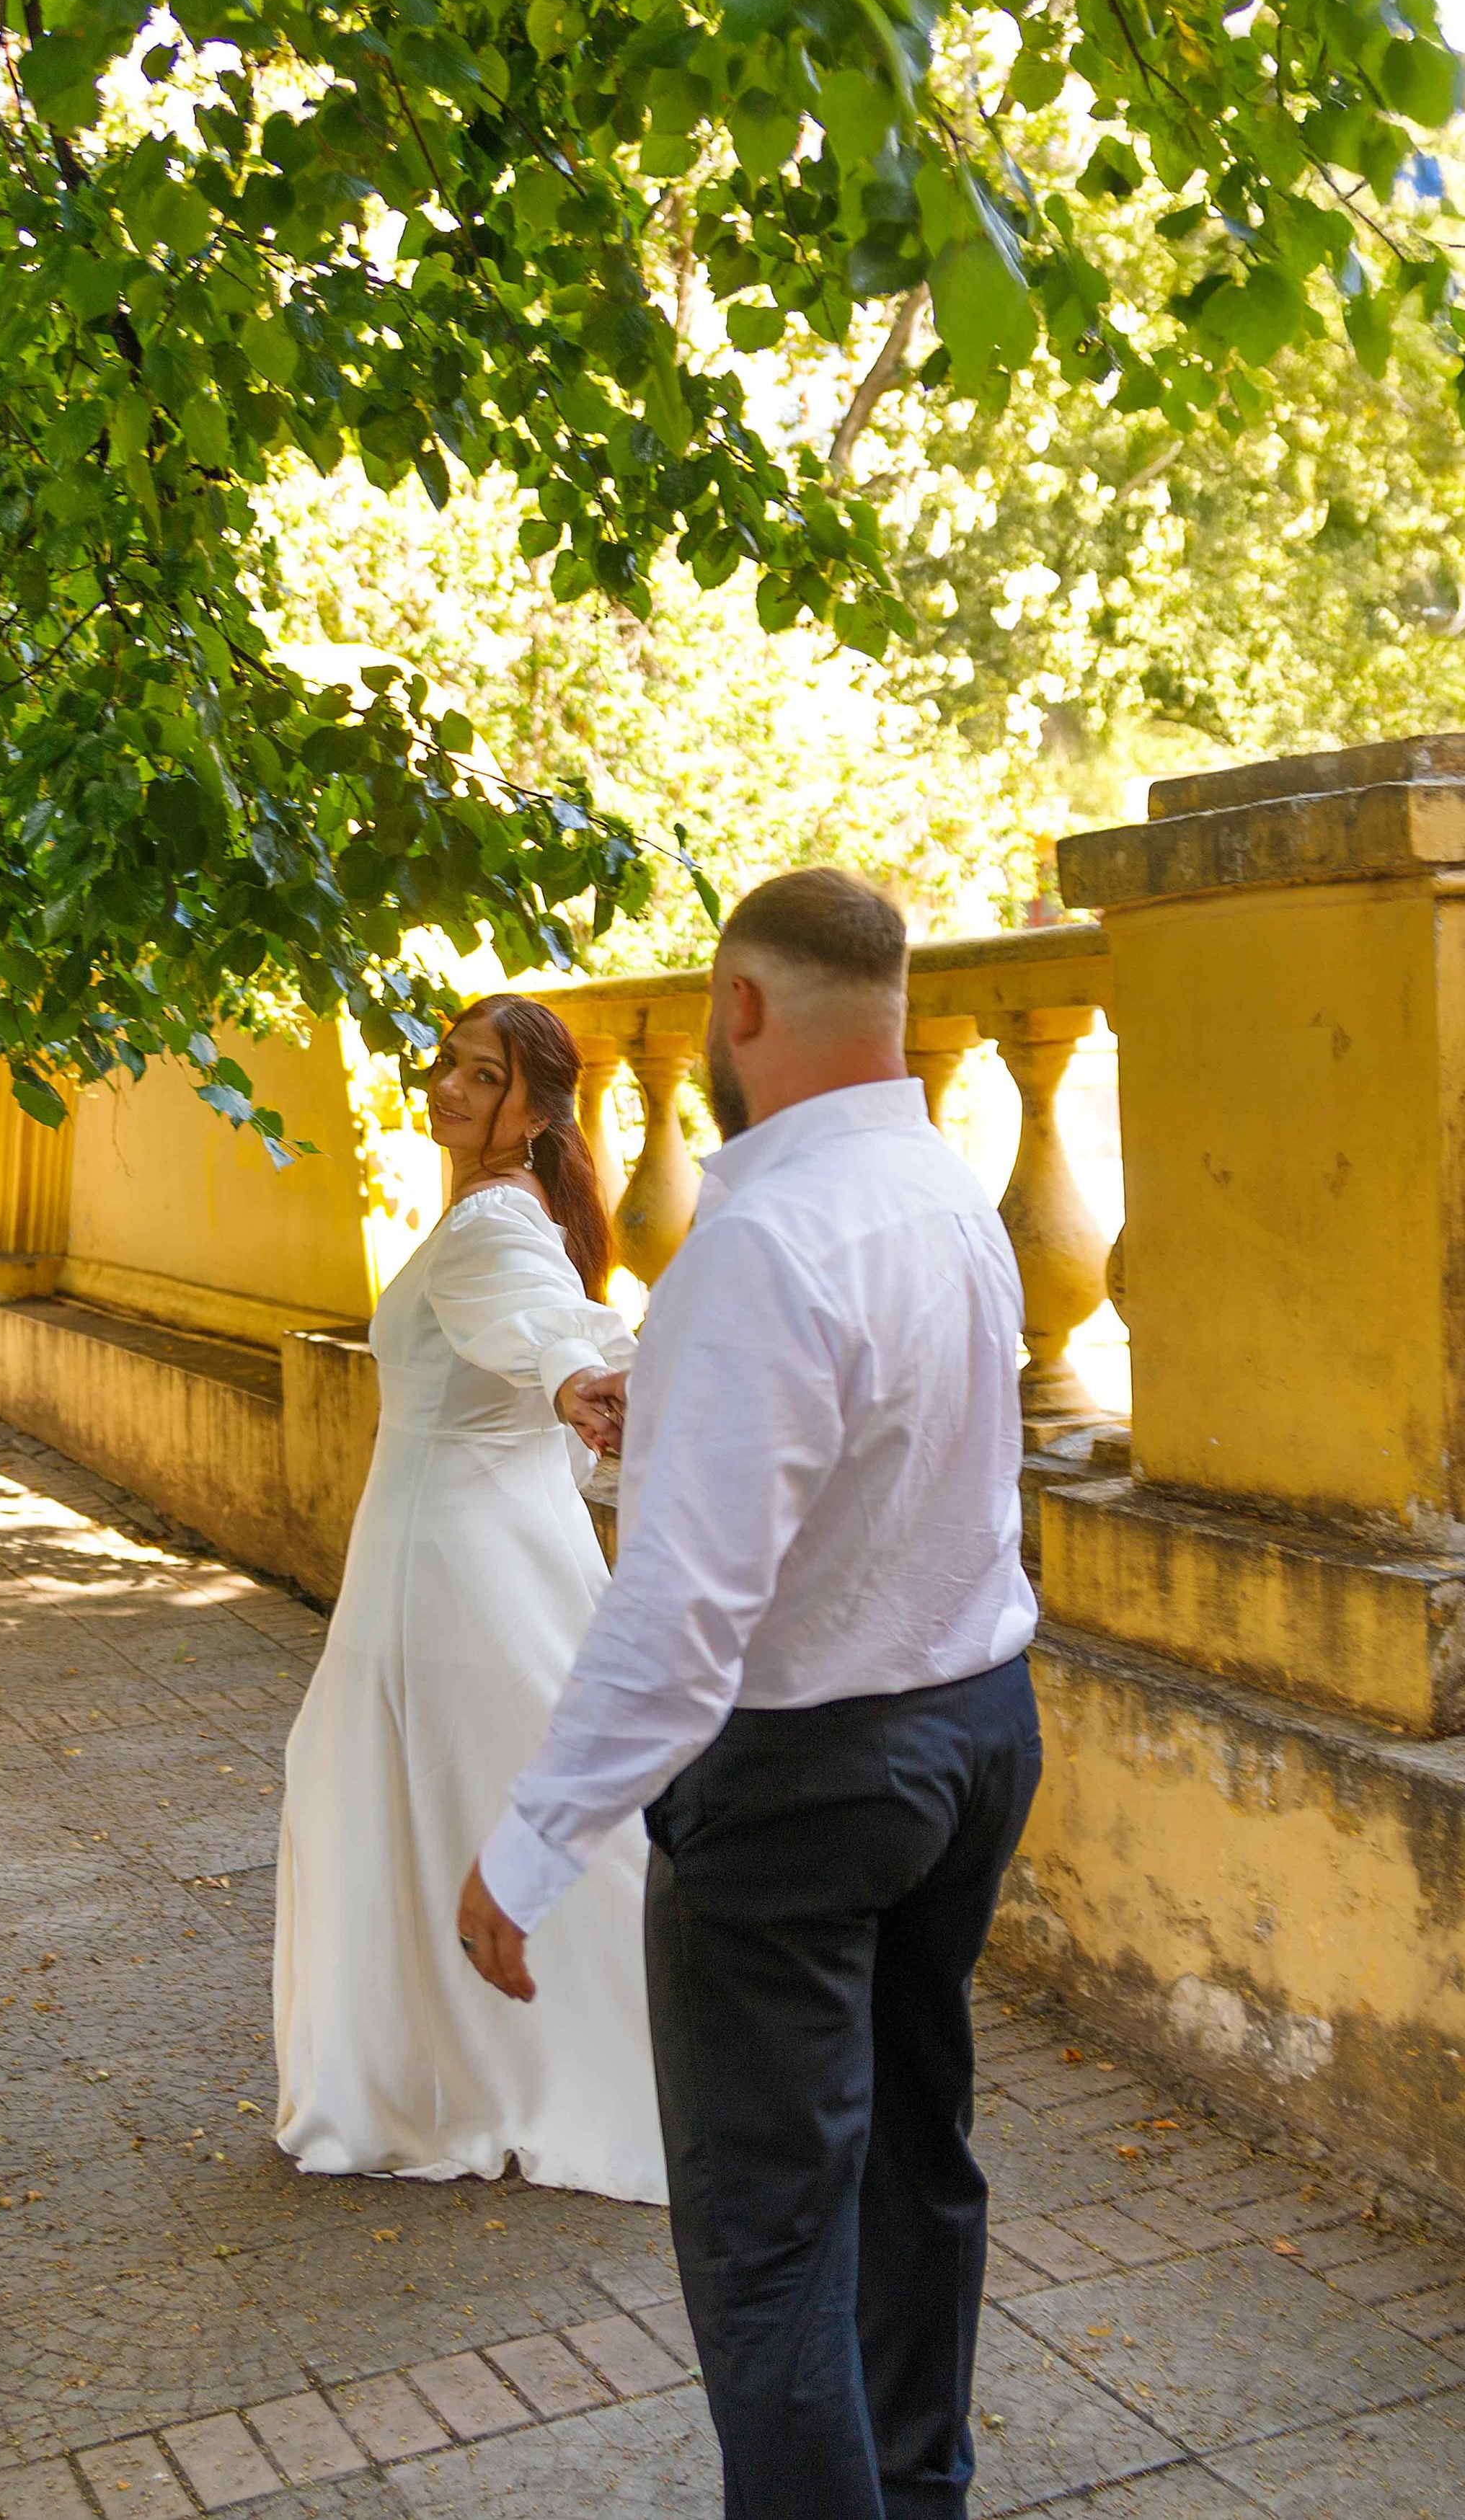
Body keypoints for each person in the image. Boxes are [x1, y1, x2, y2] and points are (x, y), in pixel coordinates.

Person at [458, 870, 1042, 2518]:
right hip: (975, 1730)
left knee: (765, 2225)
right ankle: (915, 2490)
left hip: (797, 1779)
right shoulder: (945, 1193)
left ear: (738, 1011)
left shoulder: (760, 1236)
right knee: (915, 2166)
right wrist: (693, 1408)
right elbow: (907, 1452)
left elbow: (681, 1612)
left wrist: (531, 1838)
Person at [272, 993, 665, 2203]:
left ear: (538, 1108)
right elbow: (537, 1323)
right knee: (462, 1798)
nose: (446, 1085)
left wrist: (572, 1380)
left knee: (453, 1799)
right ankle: (480, 2069)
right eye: (447, 1062)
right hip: (463, 1551)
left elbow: (534, 1324)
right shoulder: (499, 1211)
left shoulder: (496, 1215)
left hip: (446, 1570)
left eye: (480, 1072)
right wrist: (568, 1376)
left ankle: (511, 2081)